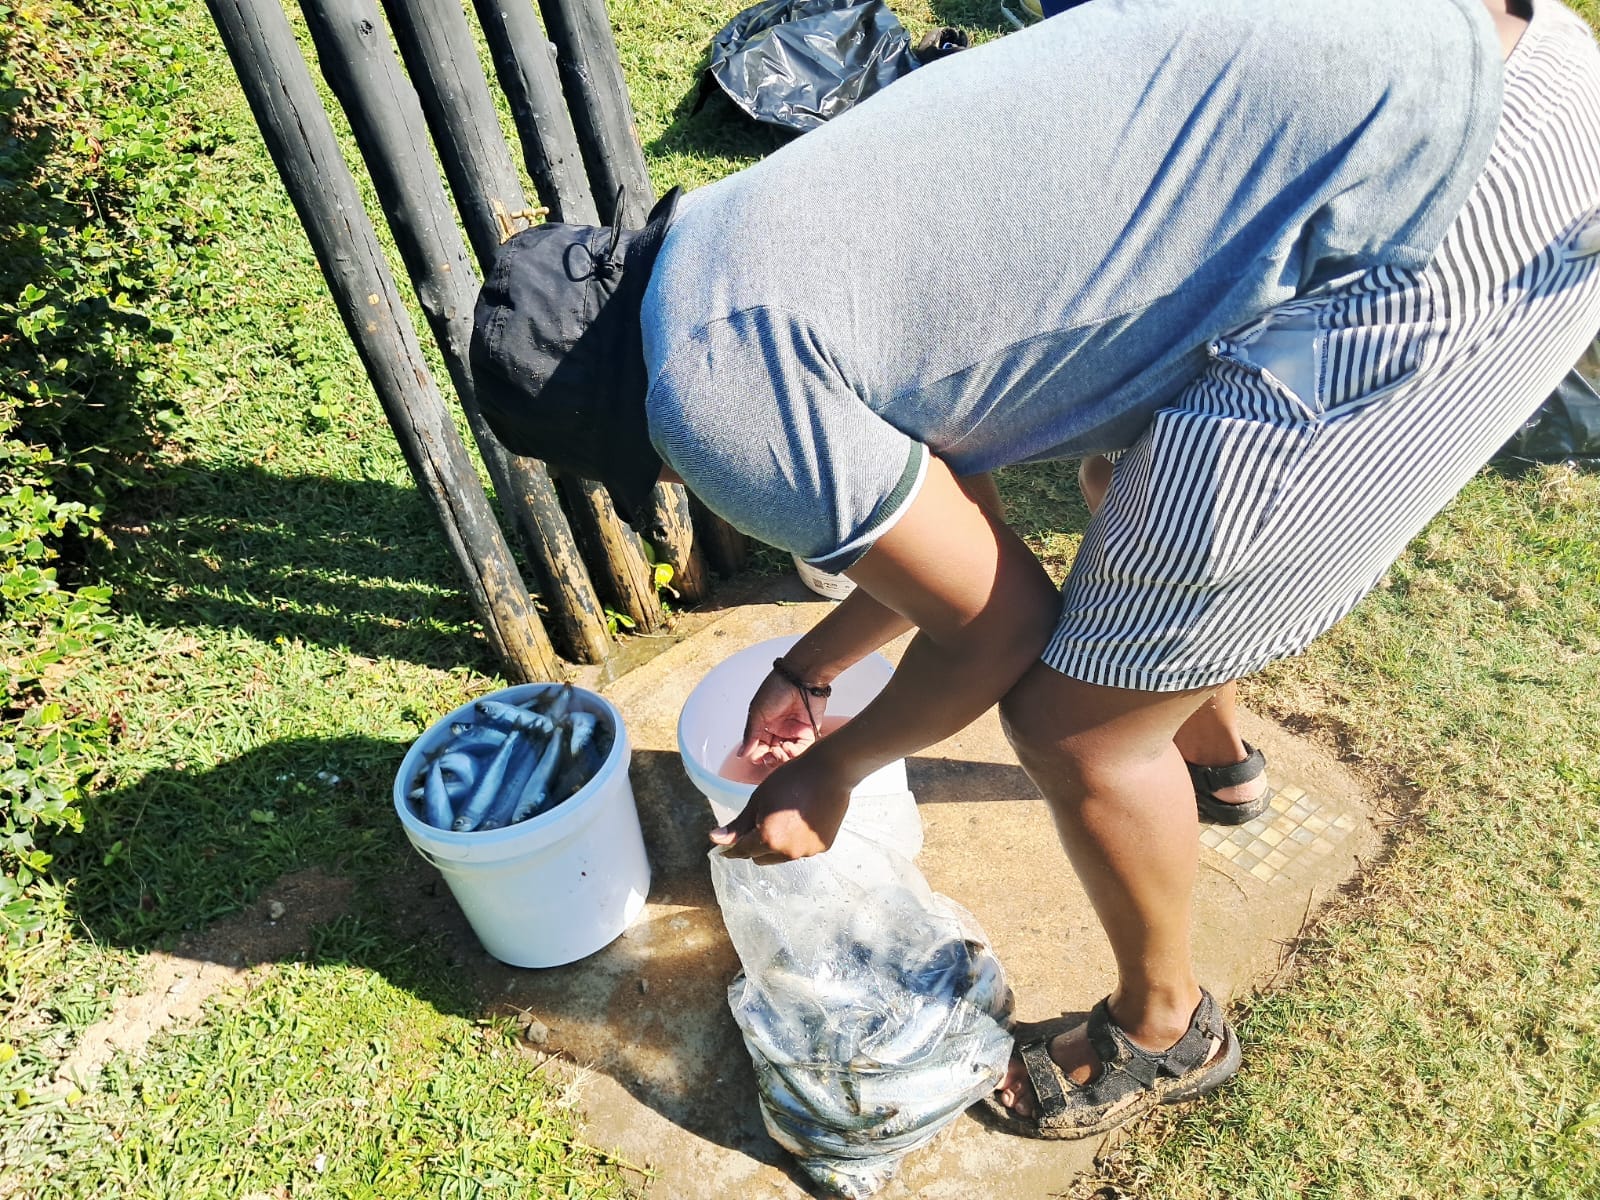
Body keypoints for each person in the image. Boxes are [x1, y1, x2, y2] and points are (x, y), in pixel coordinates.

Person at [471, 0, 1600, 1139]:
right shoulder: (732, 230)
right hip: (1509, 60)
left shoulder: (708, 399)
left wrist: (835, 771)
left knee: (1076, 728)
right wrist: (811, 671)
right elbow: (960, 520)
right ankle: (1217, 763)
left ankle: (1165, 1029)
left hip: (1459, 230)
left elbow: (1001, 624)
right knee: (1130, 515)